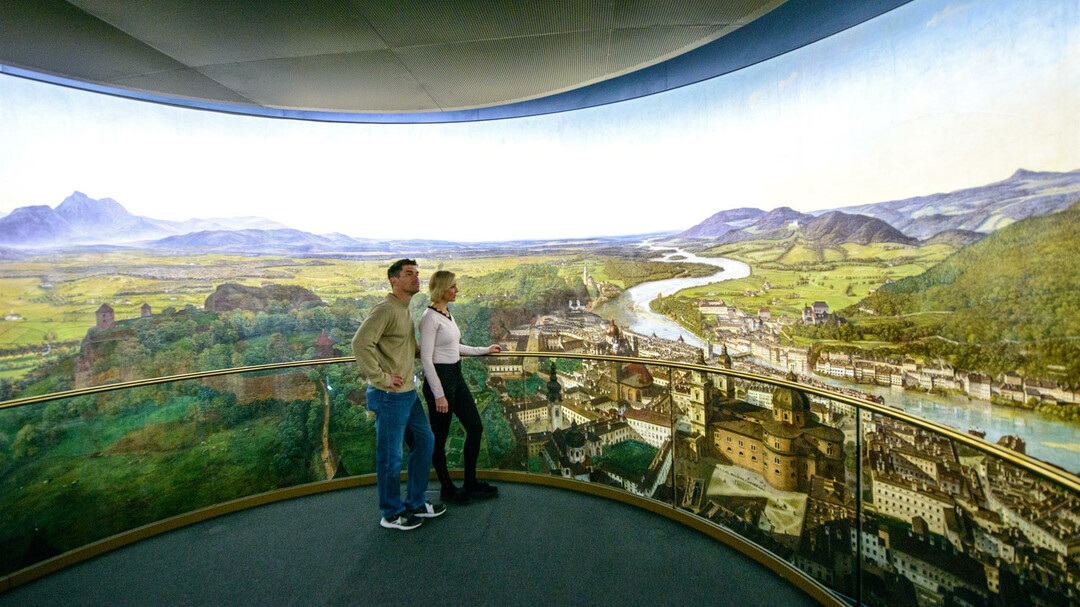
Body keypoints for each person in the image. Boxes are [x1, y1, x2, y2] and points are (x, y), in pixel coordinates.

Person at [352, 259, 445, 531]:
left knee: (425, 441)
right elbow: (360, 342)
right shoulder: (386, 309)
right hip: (389, 394)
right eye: (409, 274)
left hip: (407, 392)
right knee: (390, 457)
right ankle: (391, 512)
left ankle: (415, 502)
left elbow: (405, 347)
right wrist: (380, 377)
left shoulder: (404, 309)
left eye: (417, 274)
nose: (416, 279)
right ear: (394, 280)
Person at [419, 270, 502, 503]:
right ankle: (447, 487)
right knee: (440, 436)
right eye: (453, 287)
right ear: (442, 289)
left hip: (456, 376)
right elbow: (426, 359)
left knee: (475, 427)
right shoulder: (429, 318)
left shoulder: (446, 314)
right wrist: (439, 395)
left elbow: (456, 348)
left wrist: (484, 349)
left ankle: (470, 482)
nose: (457, 290)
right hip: (441, 381)